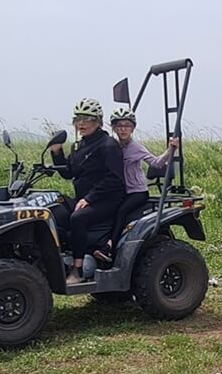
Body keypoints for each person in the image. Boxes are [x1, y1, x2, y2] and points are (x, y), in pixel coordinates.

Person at [48, 98, 124, 284]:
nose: (81, 123)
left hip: (107, 200)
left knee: (77, 218)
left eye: (87, 119)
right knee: (54, 210)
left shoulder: (108, 145)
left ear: (98, 122)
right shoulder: (79, 146)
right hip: (85, 198)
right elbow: (68, 173)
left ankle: (77, 270)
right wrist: (57, 152)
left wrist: (89, 199)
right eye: (78, 119)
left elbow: (114, 178)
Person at [108, 106, 177, 251]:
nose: (123, 129)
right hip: (120, 191)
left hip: (137, 192)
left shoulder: (136, 147)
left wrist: (171, 149)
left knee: (121, 212)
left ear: (132, 128)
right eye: (119, 125)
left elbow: (156, 163)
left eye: (127, 125)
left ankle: (111, 246)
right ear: (114, 128)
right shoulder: (112, 146)